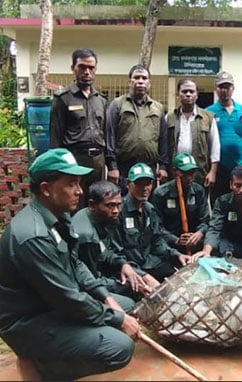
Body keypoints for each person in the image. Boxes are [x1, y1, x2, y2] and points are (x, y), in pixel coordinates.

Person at [0, 148, 140, 380]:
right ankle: (42, 368)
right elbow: (68, 298)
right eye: (71, 184)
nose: (79, 191)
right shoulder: (33, 236)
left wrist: (106, 298)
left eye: (79, 183)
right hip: (28, 321)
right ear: (46, 189)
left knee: (125, 304)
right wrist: (117, 319)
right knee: (119, 348)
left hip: (52, 305)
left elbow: (77, 265)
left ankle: (56, 351)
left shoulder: (58, 217)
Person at [72, 180, 161, 299]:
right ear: (92, 205)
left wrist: (125, 266)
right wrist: (129, 285)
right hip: (84, 290)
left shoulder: (103, 218)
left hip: (104, 274)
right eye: (110, 205)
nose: (116, 211)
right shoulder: (87, 236)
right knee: (131, 301)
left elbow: (107, 252)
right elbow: (91, 281)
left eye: (118, 205)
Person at [49, 48, 108, 208]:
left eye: (91, 68)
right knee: (75, 205)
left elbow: (106, 134)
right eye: (82, 67)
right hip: (75, 161)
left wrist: (111, 164)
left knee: (98, 204)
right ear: (73, 68)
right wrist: (59, 169)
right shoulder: (63, 99)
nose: (87, 72)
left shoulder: (101, 100)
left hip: (98, 162)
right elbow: (55, 138)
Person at [118, 162, 191, 282]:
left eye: (148, 183)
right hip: (130, 270)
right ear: (127, 184)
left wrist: (177, 255)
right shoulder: (119, 211)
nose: (144, 188)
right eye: (139, 184)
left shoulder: (149, 209)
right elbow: (117, 253)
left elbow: (157, 241)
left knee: (182, 273)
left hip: (149, 263)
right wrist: (142, 275)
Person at [106, 64, 169, 185]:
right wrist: (112, 166)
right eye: (136, 77)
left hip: (149, 167)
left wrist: (163, 166)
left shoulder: (158, 108)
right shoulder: (117, 104)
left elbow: (163, 139)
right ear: (130, 82)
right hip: (124, 167)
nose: (140, 81)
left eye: (144, 78)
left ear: (149, 83)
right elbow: (110, 135)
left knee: (147, 202)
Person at [150, 153, 210, 254]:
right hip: (169, 244)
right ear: (175, 171)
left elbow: (205, 220)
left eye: (192, 173)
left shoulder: (199, 191)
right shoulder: (160, 194)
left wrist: (199, 233)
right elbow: (156, 226)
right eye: (185, 173)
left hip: (194, 242)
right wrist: (175, 240)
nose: (190, 177)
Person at [165, 79, 220, 188]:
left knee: (198, 203)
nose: (188, 94)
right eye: (184, 92)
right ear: (178, 95)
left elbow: (215, 147)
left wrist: (212, 172)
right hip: (175, 173)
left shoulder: (208, 118)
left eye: (191, 91)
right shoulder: (169, 117)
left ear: (197, 95)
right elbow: (163, 146)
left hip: (199, 174)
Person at [205, 71, 242, 203]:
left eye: (228, 87)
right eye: (221, 87)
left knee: (241, 204)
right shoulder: (208, 112)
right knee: (219, 204)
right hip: (219, 169)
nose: (224, 90)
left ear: (233, 88)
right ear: (216, 89)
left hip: (240, 167)